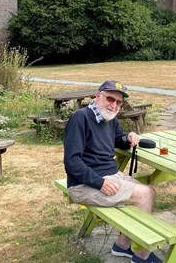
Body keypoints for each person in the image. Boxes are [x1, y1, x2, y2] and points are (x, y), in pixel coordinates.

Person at [64, 80, 160, 263]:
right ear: (98, 96)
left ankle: (122, 245)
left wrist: (128, 138)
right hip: (84, 184)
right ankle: (141, 256)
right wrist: (99, 183)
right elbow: (71, 162)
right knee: (145, 195)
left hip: (110, 176)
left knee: (151, 191)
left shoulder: (109, 118)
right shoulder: (80, 118)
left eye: (118, 102)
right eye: (110, 99)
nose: (114, 105)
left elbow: (117, 139)